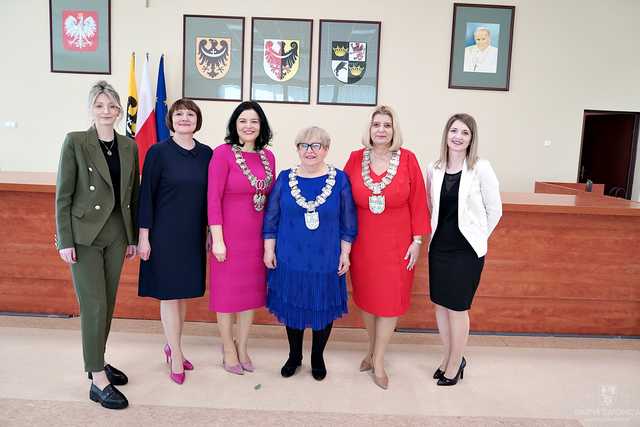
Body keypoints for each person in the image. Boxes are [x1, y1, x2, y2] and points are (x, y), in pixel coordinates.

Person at [55, 81, 139, 409]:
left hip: (117, 235)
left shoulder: (129, 146)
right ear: (91, 109)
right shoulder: (75, 142)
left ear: (120, 111)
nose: (107, 111)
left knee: (108, 304)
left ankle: (97, 360)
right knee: (93, 305)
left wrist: (132, 237)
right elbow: (63, 195)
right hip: (84, 236)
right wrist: (65, 239)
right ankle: (96, 377)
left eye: (112, 106)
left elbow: (131, 194)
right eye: (100, 105)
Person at [344, 105, 429, 389]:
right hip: (363, 243)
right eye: (376, 124)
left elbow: (418, 202)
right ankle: (371, 350)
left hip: (397, 244)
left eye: (387, 125)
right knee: (367, 300)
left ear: (394, 130)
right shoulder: (356, 159)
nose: (381, 130)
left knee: (390, 302)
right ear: (369, 129)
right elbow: (342, 199)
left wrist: (417, 241)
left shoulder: (408, 159)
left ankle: (378, 360)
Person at [263, 126, 357, 381]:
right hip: (290, 257)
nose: (310, 151)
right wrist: (268, 250)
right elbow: (271, 218)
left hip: (326, 257)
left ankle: (317, 356)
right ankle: (295, 356)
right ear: (297, 149)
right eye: (304, 145)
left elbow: (348, 221)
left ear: (326, 149)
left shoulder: (339, 180)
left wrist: (345, 253)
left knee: (322, 307)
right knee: (293, 307)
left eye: (316, 145)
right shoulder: (284, 178)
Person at [137, 99, 212, 385]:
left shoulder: (206, 154)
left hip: (192, 234)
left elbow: (209, 198)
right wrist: (144, 237)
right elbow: (147, 196)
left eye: (189, 114)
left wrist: (209, 232)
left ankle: (173, 345)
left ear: (197, 120)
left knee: (182, 295)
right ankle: (177, 356)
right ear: (170, 120)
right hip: (163, 234)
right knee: (169, 294)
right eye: (178, 114)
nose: (184, 118)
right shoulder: (158, 152)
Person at [426, 113, 502, 386]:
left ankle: (455, 363)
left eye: (465, 133)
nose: (458, 137)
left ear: (472, 139)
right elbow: (431, 207)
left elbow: (495, 210)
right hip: (439, 249)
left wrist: (477, 239)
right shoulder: (433, 168)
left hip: (466, 251)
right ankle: (448, 357)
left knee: (457, 308)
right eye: (454, 131)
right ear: (446, 134)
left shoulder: (481, 168)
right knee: (440, 306)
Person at [207, 101, 276, 374]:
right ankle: (227, 349)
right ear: (235, 126)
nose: (248, 126)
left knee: (250, 297)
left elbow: (270, 201)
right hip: (229, 237)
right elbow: (213, 199)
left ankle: (243, 346)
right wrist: (218, 239)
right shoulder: (222, 154)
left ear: (261, 127)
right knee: (226, 297)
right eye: (243, 121)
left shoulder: (268, 157)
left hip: (256, 238)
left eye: (254, 121)